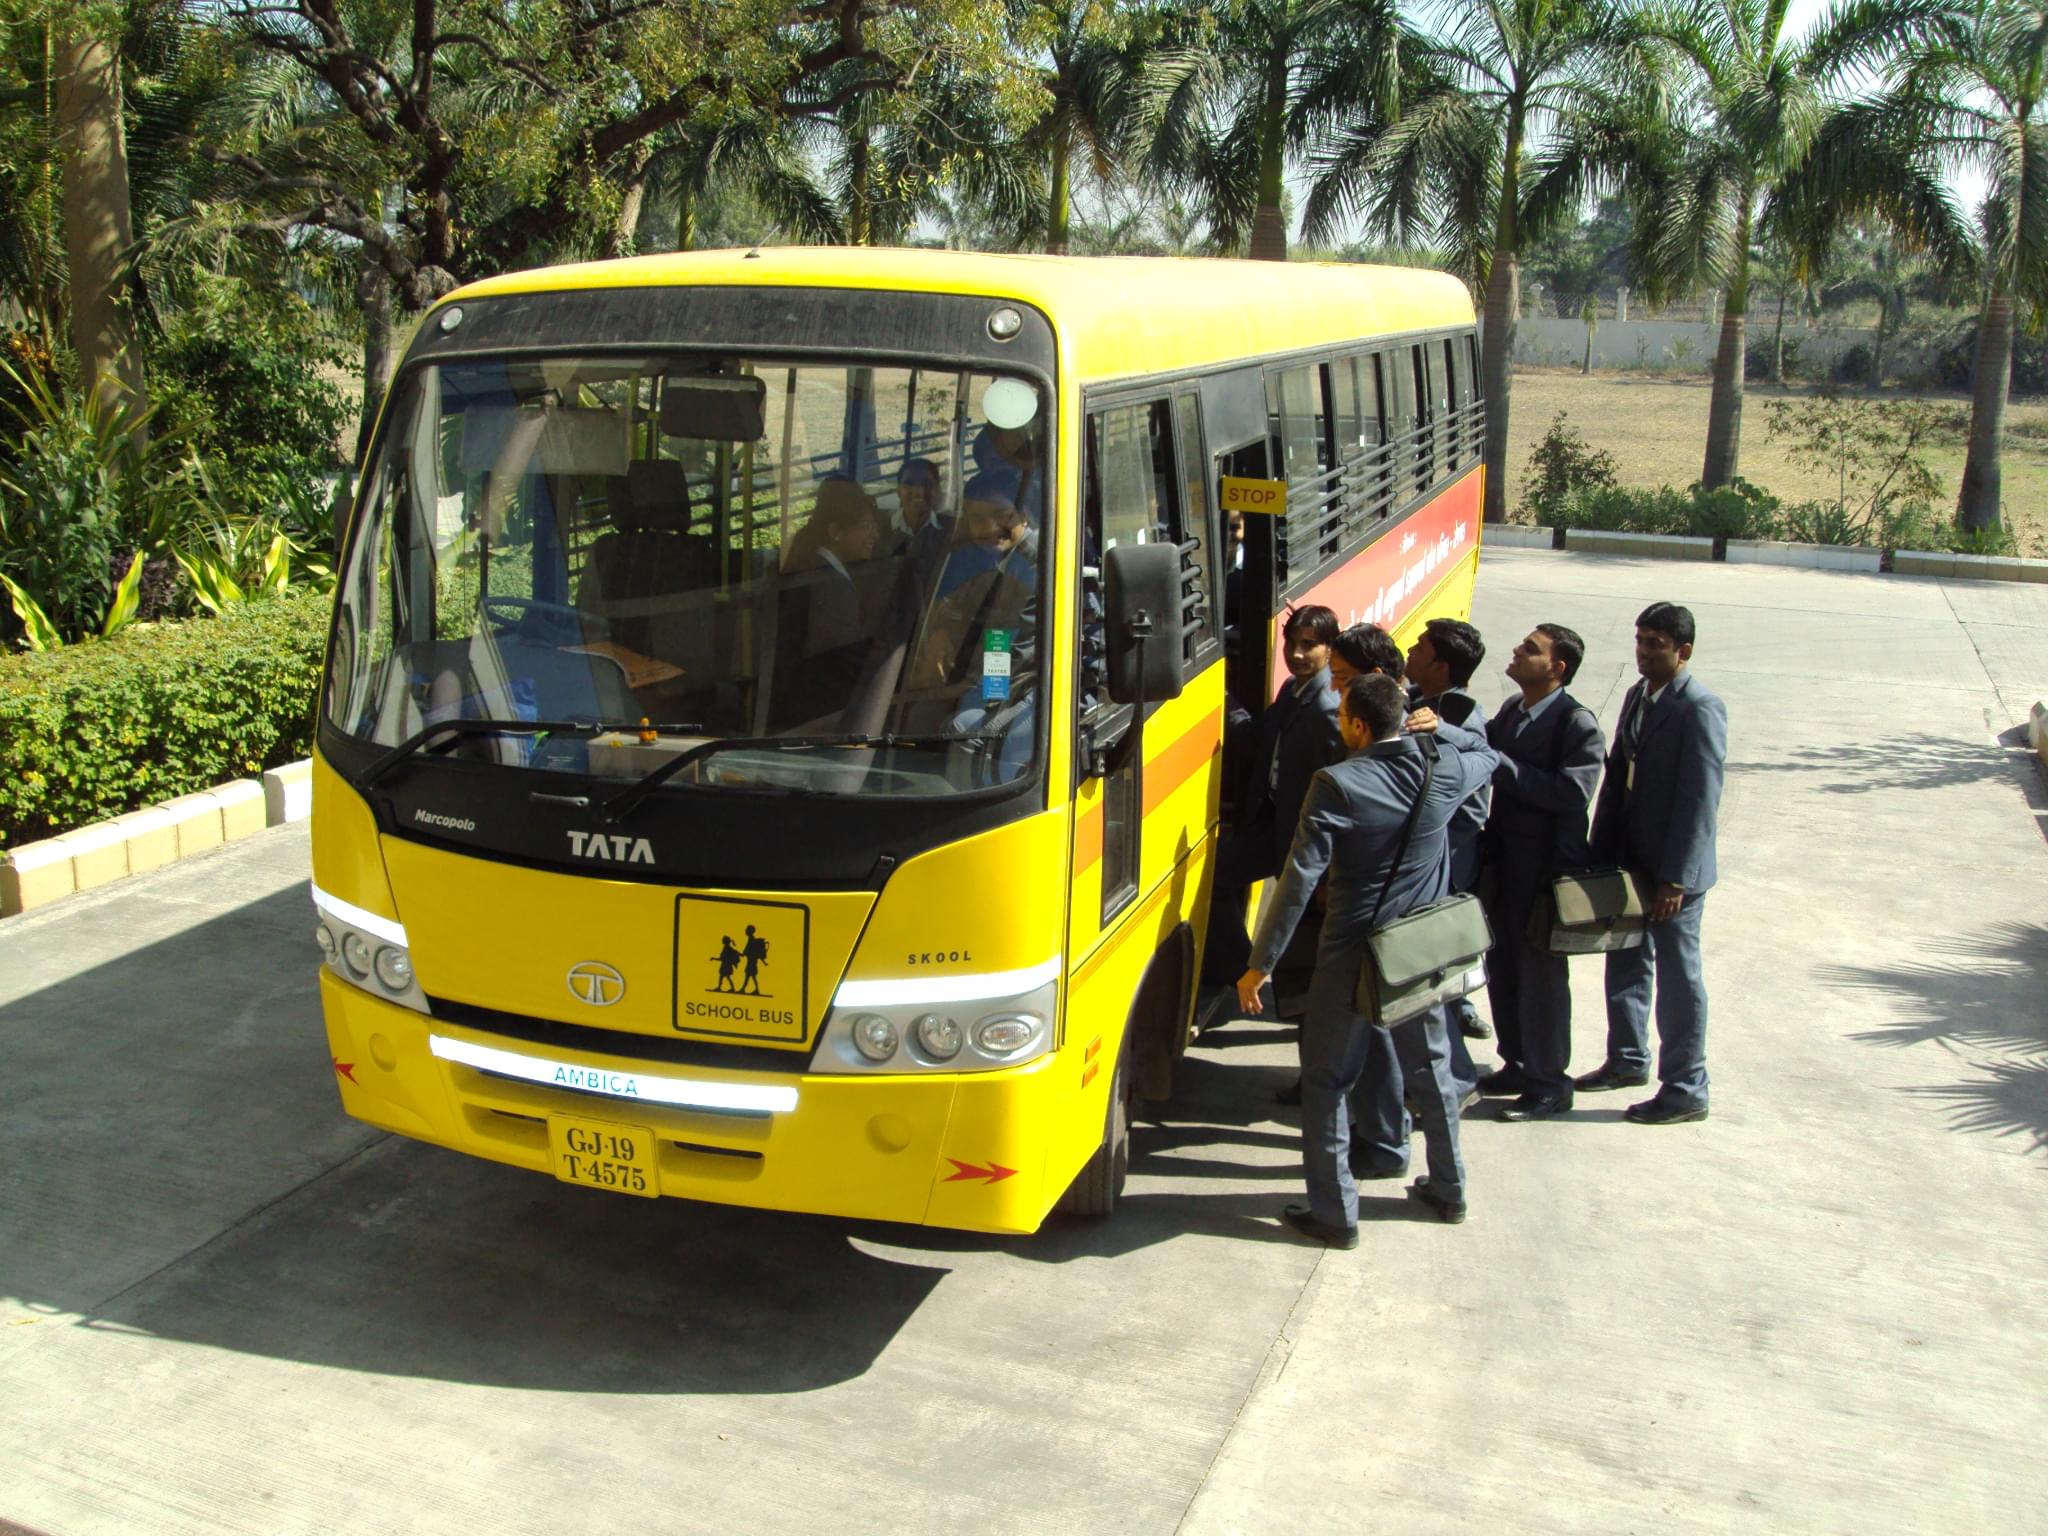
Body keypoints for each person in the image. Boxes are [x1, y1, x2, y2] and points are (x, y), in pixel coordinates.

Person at [1236, 673, 1500, 1245]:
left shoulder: (1339, 782)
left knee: (1328, 1082)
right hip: (1416, 954)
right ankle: (1449, 1190)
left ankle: (1336, 1214)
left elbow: (1300, 879)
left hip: (1350, 954)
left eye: (1341, 718)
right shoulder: (1445, 767)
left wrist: (1263, 962)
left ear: (1356, 725)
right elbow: (1487, 751)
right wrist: (1444, 728)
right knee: (1431, 1074)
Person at [1580, 602, 1727, 1125]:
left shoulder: (1699, 708)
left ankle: (1687, 1086)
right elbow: (1619, 774)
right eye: (1640, 641)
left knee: (1679, 977)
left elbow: (1699, 800)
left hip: (1672, 875)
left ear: (1682, 652)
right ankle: (1626, 1059)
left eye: (1655, 644)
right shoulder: (1637, 696)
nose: (1643, 652)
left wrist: (1676, 879)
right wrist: (1603, 852)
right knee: (1625, 960)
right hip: (1631, 860)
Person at [1477, 624, 1606, 1121]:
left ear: (1558, 668)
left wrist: (1501, 765)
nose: (1516, 650)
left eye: (1531, 649)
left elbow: (1572, 794)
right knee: (1504, 969)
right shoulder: (1514, 710)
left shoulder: (1576, 725)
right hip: (1505, 868)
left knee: (1542, 980)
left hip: (1546, 877)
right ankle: (1518, 1061)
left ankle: (1551, 1082)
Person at [1203, 605, 1344, 996]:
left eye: (1308, 646)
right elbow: (1259, 740)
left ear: (1330, 649)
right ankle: (1239, 970)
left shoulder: (1328, 708)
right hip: (1272, 820)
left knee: (1305, 929)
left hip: (1301, 833)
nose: (1296, 654)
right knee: (1216, 876)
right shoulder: (1293, 689)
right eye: (1291, 643)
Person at [1405, 618, 1493, 1045]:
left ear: (1440, 666)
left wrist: (1430, 851)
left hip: (1447, 863)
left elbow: (1472, 809)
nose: (1410, 651)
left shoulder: (1459, 718)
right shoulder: (1419, 699)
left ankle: (1459, 1017)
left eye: (1420, 647)